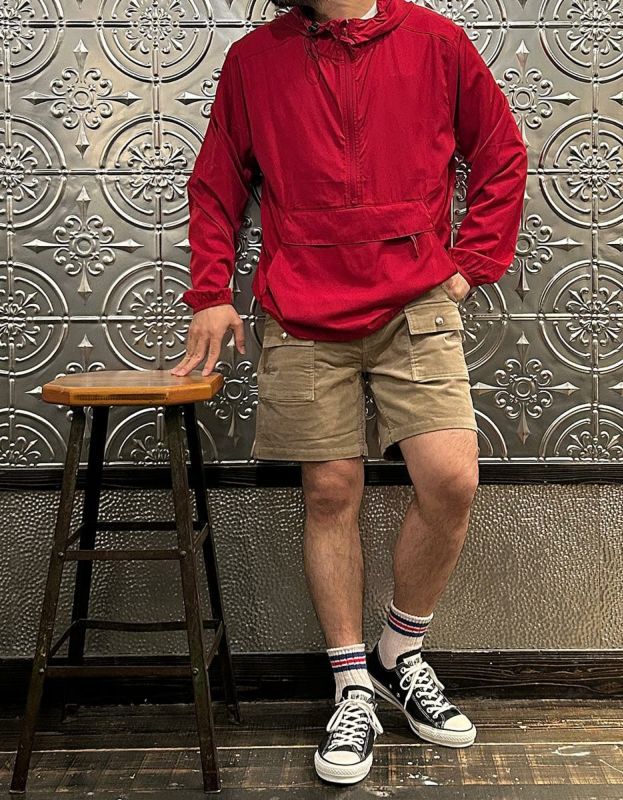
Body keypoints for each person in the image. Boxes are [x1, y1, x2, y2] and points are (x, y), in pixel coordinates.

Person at [171, 0, 527, 785]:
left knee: (451, 479)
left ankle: (400, 651)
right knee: (330, 492)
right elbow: (217, 182)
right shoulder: (254, 61)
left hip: (416, 302)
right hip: (301, 309)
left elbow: (501, 153)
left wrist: (471, 265)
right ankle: (351, 685)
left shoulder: (436, 42)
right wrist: (211, 291)